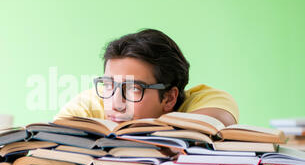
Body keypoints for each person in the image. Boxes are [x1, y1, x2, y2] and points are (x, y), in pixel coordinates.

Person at [55, 28, 238, 126]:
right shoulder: (91, 103)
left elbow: (214, 123)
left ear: (169, 98)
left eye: (134, 89)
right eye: (110, 85)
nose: (116, 104)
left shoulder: (205, 99)